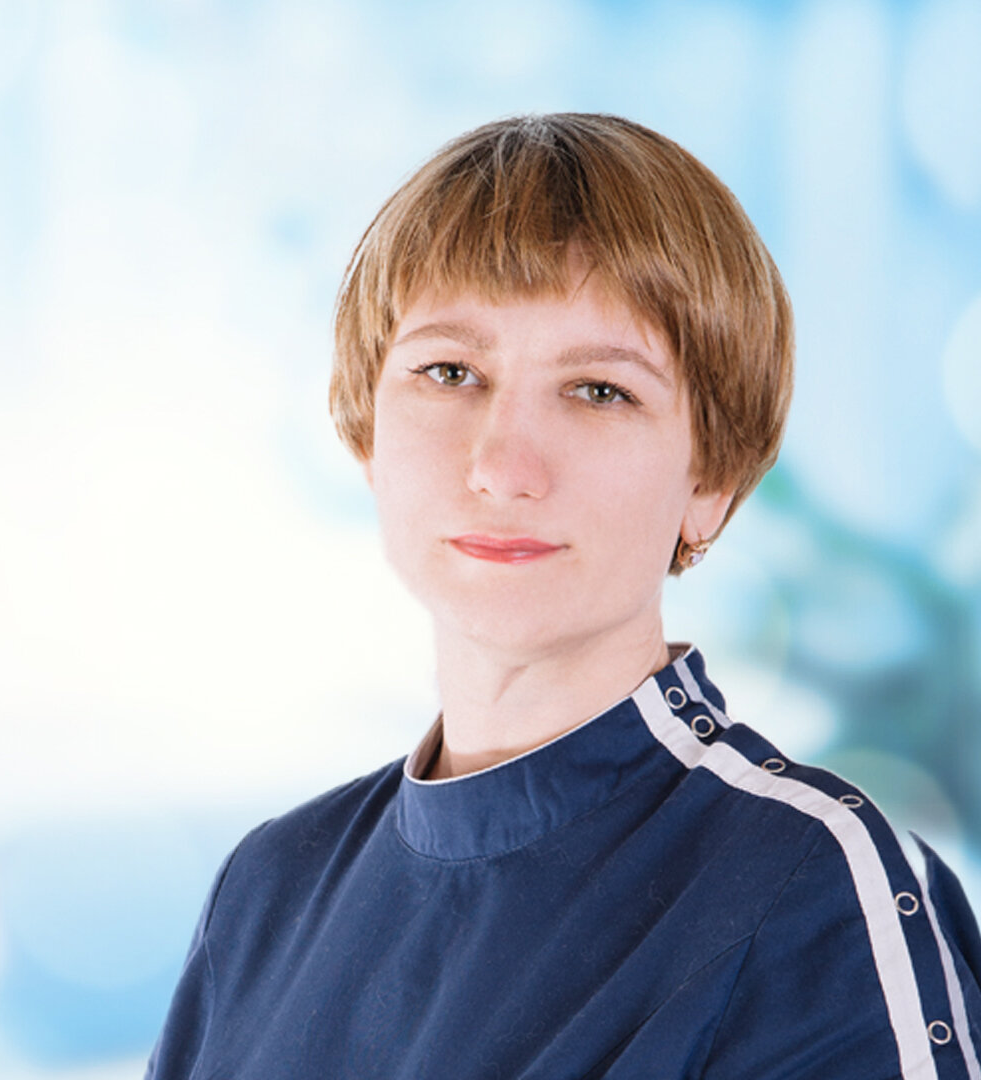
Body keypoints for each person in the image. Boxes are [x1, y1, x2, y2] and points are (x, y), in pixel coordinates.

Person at [145, 113, 981, 1079]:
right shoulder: (266, 894)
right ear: (367, 434)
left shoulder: (810, 895)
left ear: (711, 482)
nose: (503, 467)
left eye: (598, 391)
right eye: (449, 372)